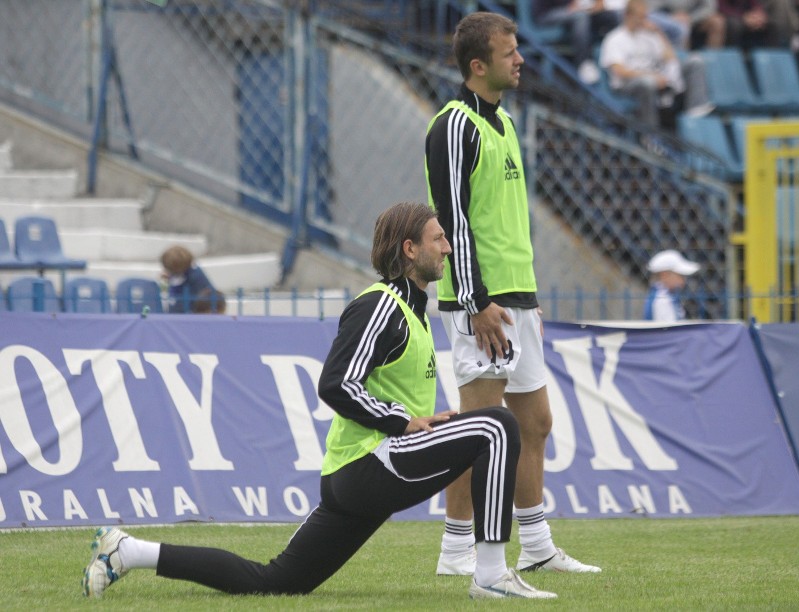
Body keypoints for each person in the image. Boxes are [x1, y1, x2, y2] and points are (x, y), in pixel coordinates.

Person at [81, 202, 557, 601]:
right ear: (409, 250)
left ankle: (129, 551)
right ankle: (491, 575)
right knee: (497, 425)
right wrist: (400, 421)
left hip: (362, 474)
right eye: (438, 239)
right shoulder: (381, 305)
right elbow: (335, 383)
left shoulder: (410, 309)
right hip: (368, 465)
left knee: (275, 582)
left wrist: (421, 423)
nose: (448, 247)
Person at [424, 12, 601, 578]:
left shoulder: (504, 123)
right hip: (483, 303)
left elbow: (501, 221)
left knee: (536, 423)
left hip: (515, 298)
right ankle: (455, 551)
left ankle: (538, 546)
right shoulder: (454, 125)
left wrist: (526, 296)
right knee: (477, 430)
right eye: (509, 53)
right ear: (479, 65)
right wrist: (477, 301)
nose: (520, 59)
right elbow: (453, 218)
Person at [599, 0, 715, 130]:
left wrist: (659, 33)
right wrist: (652, 76)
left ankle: (696, 115)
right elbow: (619, 70)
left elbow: (670, 59)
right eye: (639, 16)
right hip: (627, 85)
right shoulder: (615, 38)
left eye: (644, 16)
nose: (642, 20)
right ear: (628, 15)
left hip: (657, 79)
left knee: (695, 61)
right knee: (647, 82)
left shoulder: (649, 35)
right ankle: (651, 133)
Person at [532, 0, 622, 83]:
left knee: (614, 15)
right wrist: (577, 6)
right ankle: (583, 64)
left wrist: (594, 6)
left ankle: (616, 64)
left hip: (573, 10)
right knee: (580, 16)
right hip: (547, 13)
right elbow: (570, 6)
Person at [643, 249, 700, 321]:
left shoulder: (666, 296)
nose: (683, 280)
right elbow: (671, 331)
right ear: (665, 275)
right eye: (680, 275)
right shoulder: (662, 301)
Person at [645, 0, 727, 49]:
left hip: (694, 17)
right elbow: (650, 9)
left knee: (717, 22)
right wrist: (670, 18)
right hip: (665, 17)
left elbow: (710, 7)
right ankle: (682, 62)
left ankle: (713, 62)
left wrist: (691, 18)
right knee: (682, 25)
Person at [160, 245, 218, 314]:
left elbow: (180, 303)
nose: (167, 271)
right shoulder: (183, 273)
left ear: (178, 269)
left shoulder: (194, 277)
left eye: (169, 270)